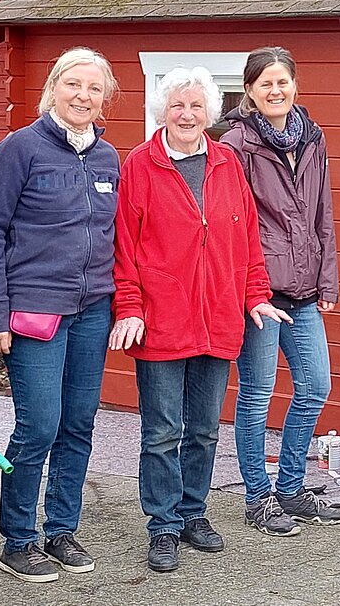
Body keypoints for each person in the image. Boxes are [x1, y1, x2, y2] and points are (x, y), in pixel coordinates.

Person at [108, 66, 290, 572]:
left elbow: (248, 241)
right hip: (162, 321)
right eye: (176, 106)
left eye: (195, 106)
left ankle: (194, 513)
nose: (186, 115)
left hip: (218, 318)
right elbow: (123, 248)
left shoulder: (227, 162)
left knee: (206, 429)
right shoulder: (139, 166)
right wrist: (129, 307)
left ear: (209, 113)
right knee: (162, 431)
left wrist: (255, 296)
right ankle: (162, 525)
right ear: (162, 112)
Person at [0, 48, 121, 582]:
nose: (83, 97)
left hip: (92, 310)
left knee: (79, 424)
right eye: (73, 85)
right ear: (54, 87)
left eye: (94, 89)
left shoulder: (108, 158)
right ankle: (18, 539)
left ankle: (62, 529)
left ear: (105, 99)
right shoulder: (21, 148)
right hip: (34, 312)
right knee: (38, 427)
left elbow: (112, 238)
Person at [219, 46, 340, 537]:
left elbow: (320, 215)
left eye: (283, 81)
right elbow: (233, 224)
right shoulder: (236, 145)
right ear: (250, 91)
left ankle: (291, 487)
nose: (276, 90)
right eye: (265, 83)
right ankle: (258, 496)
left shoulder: (312, 138)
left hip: (304, 289)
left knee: (315, 387)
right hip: (260, 294)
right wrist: (250, 291)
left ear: (295, 85)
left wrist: (328, 279)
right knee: (256, 395)